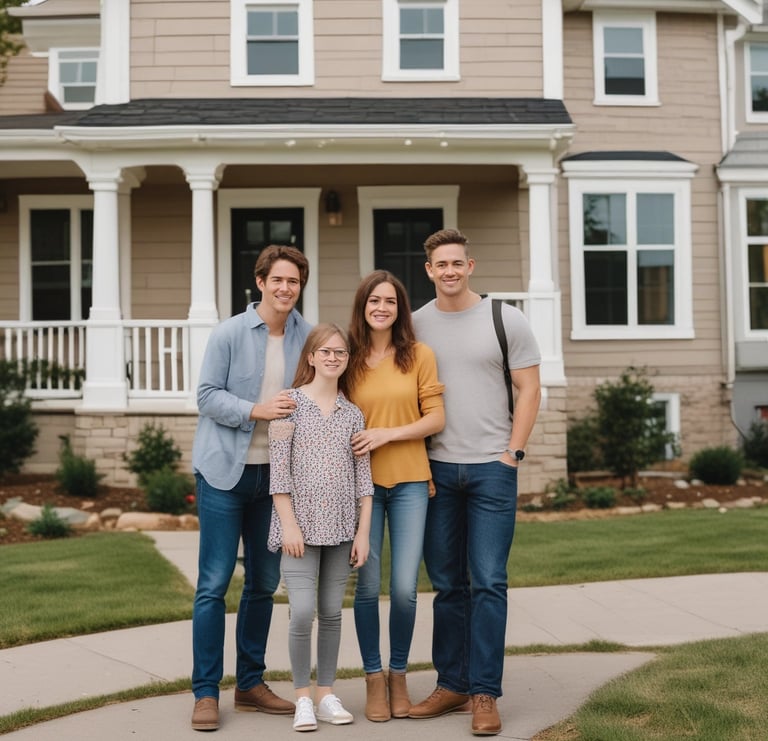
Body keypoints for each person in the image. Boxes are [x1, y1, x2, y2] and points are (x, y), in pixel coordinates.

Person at [408, 228, 542, 737]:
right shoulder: (416, 325)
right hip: (437, 471)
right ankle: (452, 684)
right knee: (447, 585)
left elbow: (529, 388)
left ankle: (485, 691)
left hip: (492, 468)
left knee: (488, 582)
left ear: (471, 266)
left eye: (456, 264)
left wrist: (513, 454)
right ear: (429, 270)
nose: (449, 271)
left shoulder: (504, 319)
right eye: (440, 264)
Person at [190, 245, 312, 732]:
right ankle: (204, 692)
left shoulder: (309, 336)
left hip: (277, 478)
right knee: (214, 584)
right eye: (277, 280)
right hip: (224, 472)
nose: (286, 289)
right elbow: (205, 396)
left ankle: (250, 684)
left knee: (263, 583)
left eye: (294, 282)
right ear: (260, 282)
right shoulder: (229, 333)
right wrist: (254, 410)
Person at [347, 270, 445, 722]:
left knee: (405, 588)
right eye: (374, 301)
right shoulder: (345, 358)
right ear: (362, 307)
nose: (381, 308)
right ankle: (372, 677)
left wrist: (388, 434)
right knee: (367, 586)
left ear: (400, 309)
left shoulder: (419, 355)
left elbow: (435, 419)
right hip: (361, 488)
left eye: (390, 301)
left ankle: (399, 674)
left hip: (409, 481)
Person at [267, 323, 374, 733]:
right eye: (325, 351)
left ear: (347, 360)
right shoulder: (287, 405)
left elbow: (364, 480)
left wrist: (363, 533)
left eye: (340, 353)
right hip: (299, 530)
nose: (333, 358)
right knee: (303, 612)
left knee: (330, 613)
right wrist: (289, 525)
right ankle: (302, 699)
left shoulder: (353, 413)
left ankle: (326, 693)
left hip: (343, 527)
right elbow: (279, 477)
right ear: (310, 356)